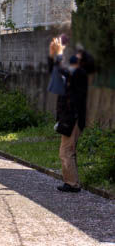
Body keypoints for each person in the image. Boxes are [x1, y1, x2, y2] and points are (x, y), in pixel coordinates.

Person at [48, 36, 91, 192]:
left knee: (66, 151)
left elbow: (63, 70)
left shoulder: (80, 74)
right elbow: (57, 71)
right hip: (70, 117)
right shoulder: (74, 74)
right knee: (66, 151)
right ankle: (71, 182)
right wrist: (54, 54)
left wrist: (59, 53)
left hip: (73, 118)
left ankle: (72, 184)